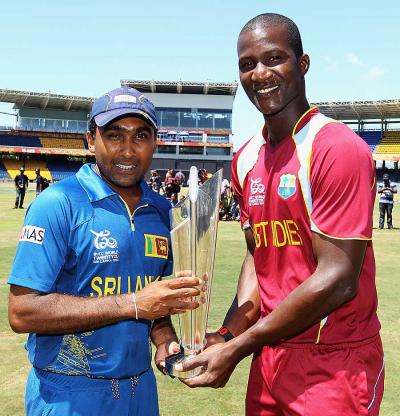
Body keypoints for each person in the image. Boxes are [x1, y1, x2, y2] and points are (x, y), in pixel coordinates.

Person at [179, 13, 384, 416]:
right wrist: (228, 334)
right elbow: (259, 259)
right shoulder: (245, 160)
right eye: (247, 64)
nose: (259, 74)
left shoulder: (335, 148)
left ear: (302, 64)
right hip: (270, 357)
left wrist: (241, 345)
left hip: (334, 365)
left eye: (274, 58)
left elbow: (339, 279)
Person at [7, 86, 202, 416]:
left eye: (140, 136)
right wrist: (133, 304)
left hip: (140, 391)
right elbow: (22, 311)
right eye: (114, 135)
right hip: (68, 393)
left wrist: (164, 339)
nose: (127, 150)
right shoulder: (59, 203)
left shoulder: (162, 212)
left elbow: (153, 299)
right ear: (90, 139)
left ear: (155, 142)